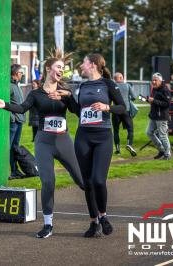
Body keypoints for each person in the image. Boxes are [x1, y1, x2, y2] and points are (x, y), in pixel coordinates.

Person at [0, 51, 85, 239]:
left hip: (63, 140)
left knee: (82, 181)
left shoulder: (65, 92)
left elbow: (77, 111)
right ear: (48, 69)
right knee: (48, 182)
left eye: (63, 68)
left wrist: (68, 96)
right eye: (59, 67)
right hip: (44, 142)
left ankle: (98, 218)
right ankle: (48, 224)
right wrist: (5, 105)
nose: (62, 70)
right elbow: (22, 108)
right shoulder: (35, 93)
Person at [50, 53, 126, 238]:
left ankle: (104, 216)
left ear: (92, 65)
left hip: (103, 137)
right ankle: (94, 223)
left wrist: (107, 107)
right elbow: (78, 111)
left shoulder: (108, 84)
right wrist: (67, 97)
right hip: (83, 137)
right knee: (88, 183)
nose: (81, 66)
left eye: (83, 63)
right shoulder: (82, 86)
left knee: (99, 180)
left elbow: (123, 107)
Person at [146, 73, 172, 160]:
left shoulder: (165, 90)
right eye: (152, 80)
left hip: (162, 117)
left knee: (163, 135)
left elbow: (167, 104)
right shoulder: (154, 89)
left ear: (160, 81)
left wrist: (154, 101)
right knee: (149, 132)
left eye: (155, 80)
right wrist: (148, 100)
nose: (153, 82)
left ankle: (167, 154)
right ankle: (161, 150)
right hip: (154, 115)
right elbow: (154, 101)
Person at [111, 72, 137, 156]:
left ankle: (118, 149)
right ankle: (129, 144)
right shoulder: (127, 85)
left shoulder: (112, 86)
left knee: (116, 130)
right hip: (126, 110)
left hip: (115, 110)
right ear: (121, 78)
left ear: (114, 79)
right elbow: (134, 97)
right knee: (130, 129)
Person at [9, 64, 26, 179]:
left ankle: (15, 170)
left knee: (15, 147)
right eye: (21, 73)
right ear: (15, 73)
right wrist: (12, 118)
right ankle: (9, 171)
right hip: (14, 122)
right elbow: (5, 103)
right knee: (9, 147)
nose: (22, 75)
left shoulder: (17, 85)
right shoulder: (9, 86)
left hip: (19, 121)